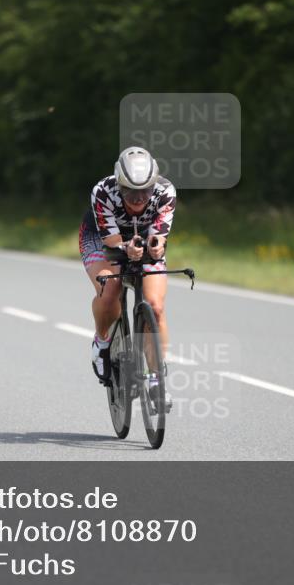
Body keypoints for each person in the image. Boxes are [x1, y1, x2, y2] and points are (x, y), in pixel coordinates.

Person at [79, 146, 176, 408]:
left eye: (145, 191)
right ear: (119, 184)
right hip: (102, 239)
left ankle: (157, 378)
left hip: (142, 237)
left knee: (155, 306)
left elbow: (159, 237)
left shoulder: (166, 191)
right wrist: (126, 249)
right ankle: (102, 342)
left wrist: (156, 246)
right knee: (110, 289)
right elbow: (112, 243)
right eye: (130, 191)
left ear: (154, 185)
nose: (138, 198)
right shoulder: (103, 191)